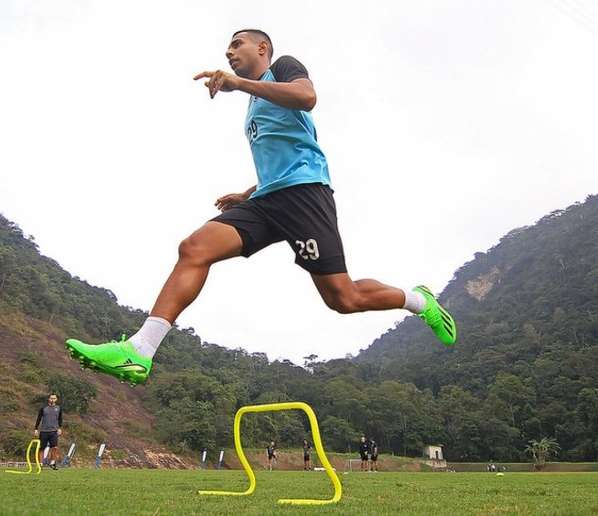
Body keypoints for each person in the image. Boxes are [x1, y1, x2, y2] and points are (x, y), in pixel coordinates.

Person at [65, 29, 457, 385]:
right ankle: (140, 350)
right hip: (267, 199)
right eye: (228, 49)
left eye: (237, 45)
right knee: (194, 248)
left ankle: (420, 301)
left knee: (344, 298)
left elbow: (307, 97)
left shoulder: (283, 69)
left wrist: (238, 82)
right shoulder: (254, 102)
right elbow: (281, 156)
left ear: (262, 48)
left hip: (305, 195)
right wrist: (248, 191)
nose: (230, 52)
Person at [34, 393, 63, 470]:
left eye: (54, 398)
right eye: (51, 398)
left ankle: (52, 463)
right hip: (44, 431)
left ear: (56, 399)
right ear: (48, 399)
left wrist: (59, 428)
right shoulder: (43, 408)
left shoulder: (58, 408)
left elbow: (60, 419)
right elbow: (39, 419)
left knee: (55, 448)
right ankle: (40, 464)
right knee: (42, 448)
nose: (52, 400)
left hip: (54, 431)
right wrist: (36, 429)